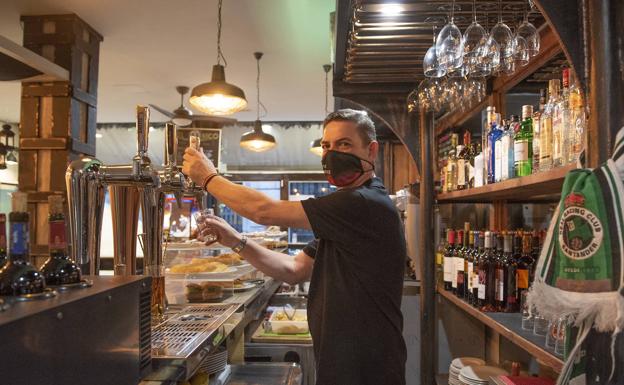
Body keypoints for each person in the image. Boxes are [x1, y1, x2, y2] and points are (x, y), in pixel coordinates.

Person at [182, 109, 407, 385]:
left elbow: (263, 211)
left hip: (368, 367)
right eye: (326, 146)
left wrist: (208, 177)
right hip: (344, 361)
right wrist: (234, 240)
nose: (332, 153)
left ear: (372, 151)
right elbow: (293, 268)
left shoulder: (363, 203)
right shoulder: (347, 216)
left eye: (344, 144)